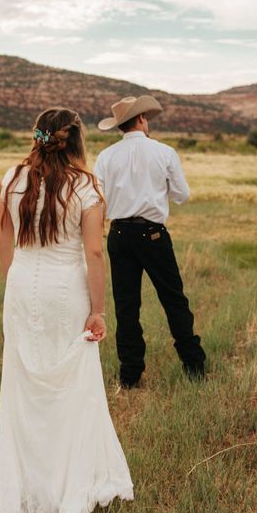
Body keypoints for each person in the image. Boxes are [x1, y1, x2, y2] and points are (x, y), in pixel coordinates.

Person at [0, 107, 133, 513]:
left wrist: (16, 283)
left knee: (24, 390)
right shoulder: (86, 187)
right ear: (76, 142)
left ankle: (28, 489)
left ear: (39, 137)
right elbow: (93, 254)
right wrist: (98, 310)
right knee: (71, 387)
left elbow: (2, 238)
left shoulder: (12, 179)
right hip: (65, 292)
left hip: (22, 287)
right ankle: (66, 486)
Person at [93, 95, 206, 389]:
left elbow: (97, 199)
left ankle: (130, 375)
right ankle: (194, 366)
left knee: (126, 306)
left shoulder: (106, 157)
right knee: (173, 300)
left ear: (120, 126)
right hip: (153, 235)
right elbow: (182, 195)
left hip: (118, 235)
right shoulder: (164, 152)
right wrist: (155, 190)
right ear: (142, 119)